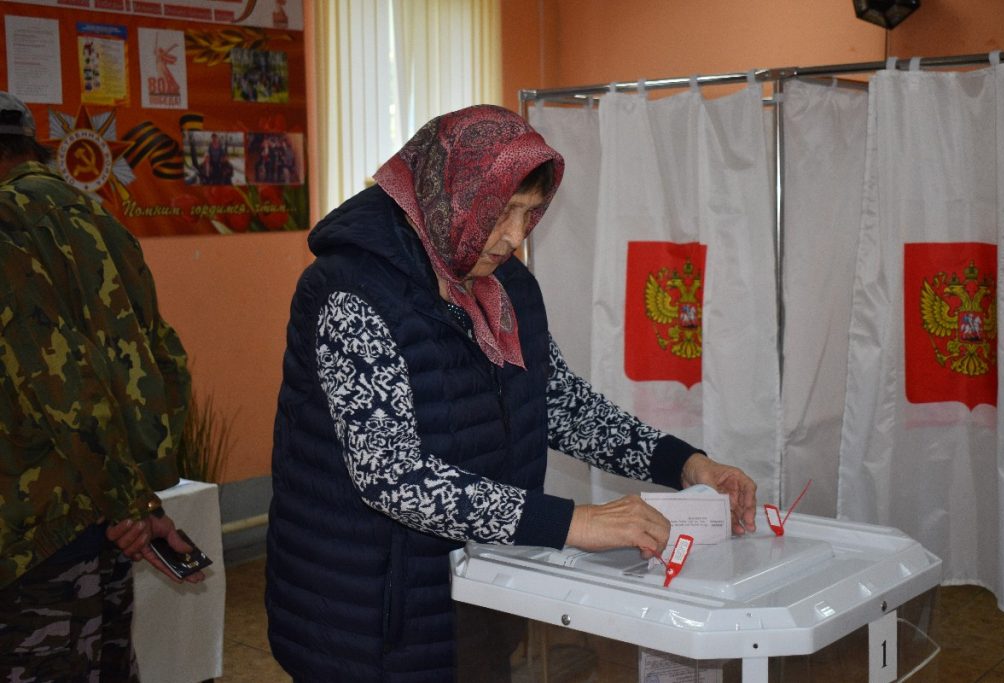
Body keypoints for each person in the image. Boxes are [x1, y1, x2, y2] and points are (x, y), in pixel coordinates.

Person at [265, 104, 758, 681]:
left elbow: (559, 404)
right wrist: (573, 523)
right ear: (451, 196)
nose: (515, 236)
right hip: (366, 604)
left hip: (475, 580)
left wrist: (685, 463)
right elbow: (393, 475)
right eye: (501, 211)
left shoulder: (505, 286)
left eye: (529, 212)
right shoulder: (350, 293)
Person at [0, 91, 203, 682]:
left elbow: (58, 382)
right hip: (106, 517)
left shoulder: (7, 221)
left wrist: (127, 504)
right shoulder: (97, 215)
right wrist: (137, 501)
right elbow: (161, 359)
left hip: (32, 528)